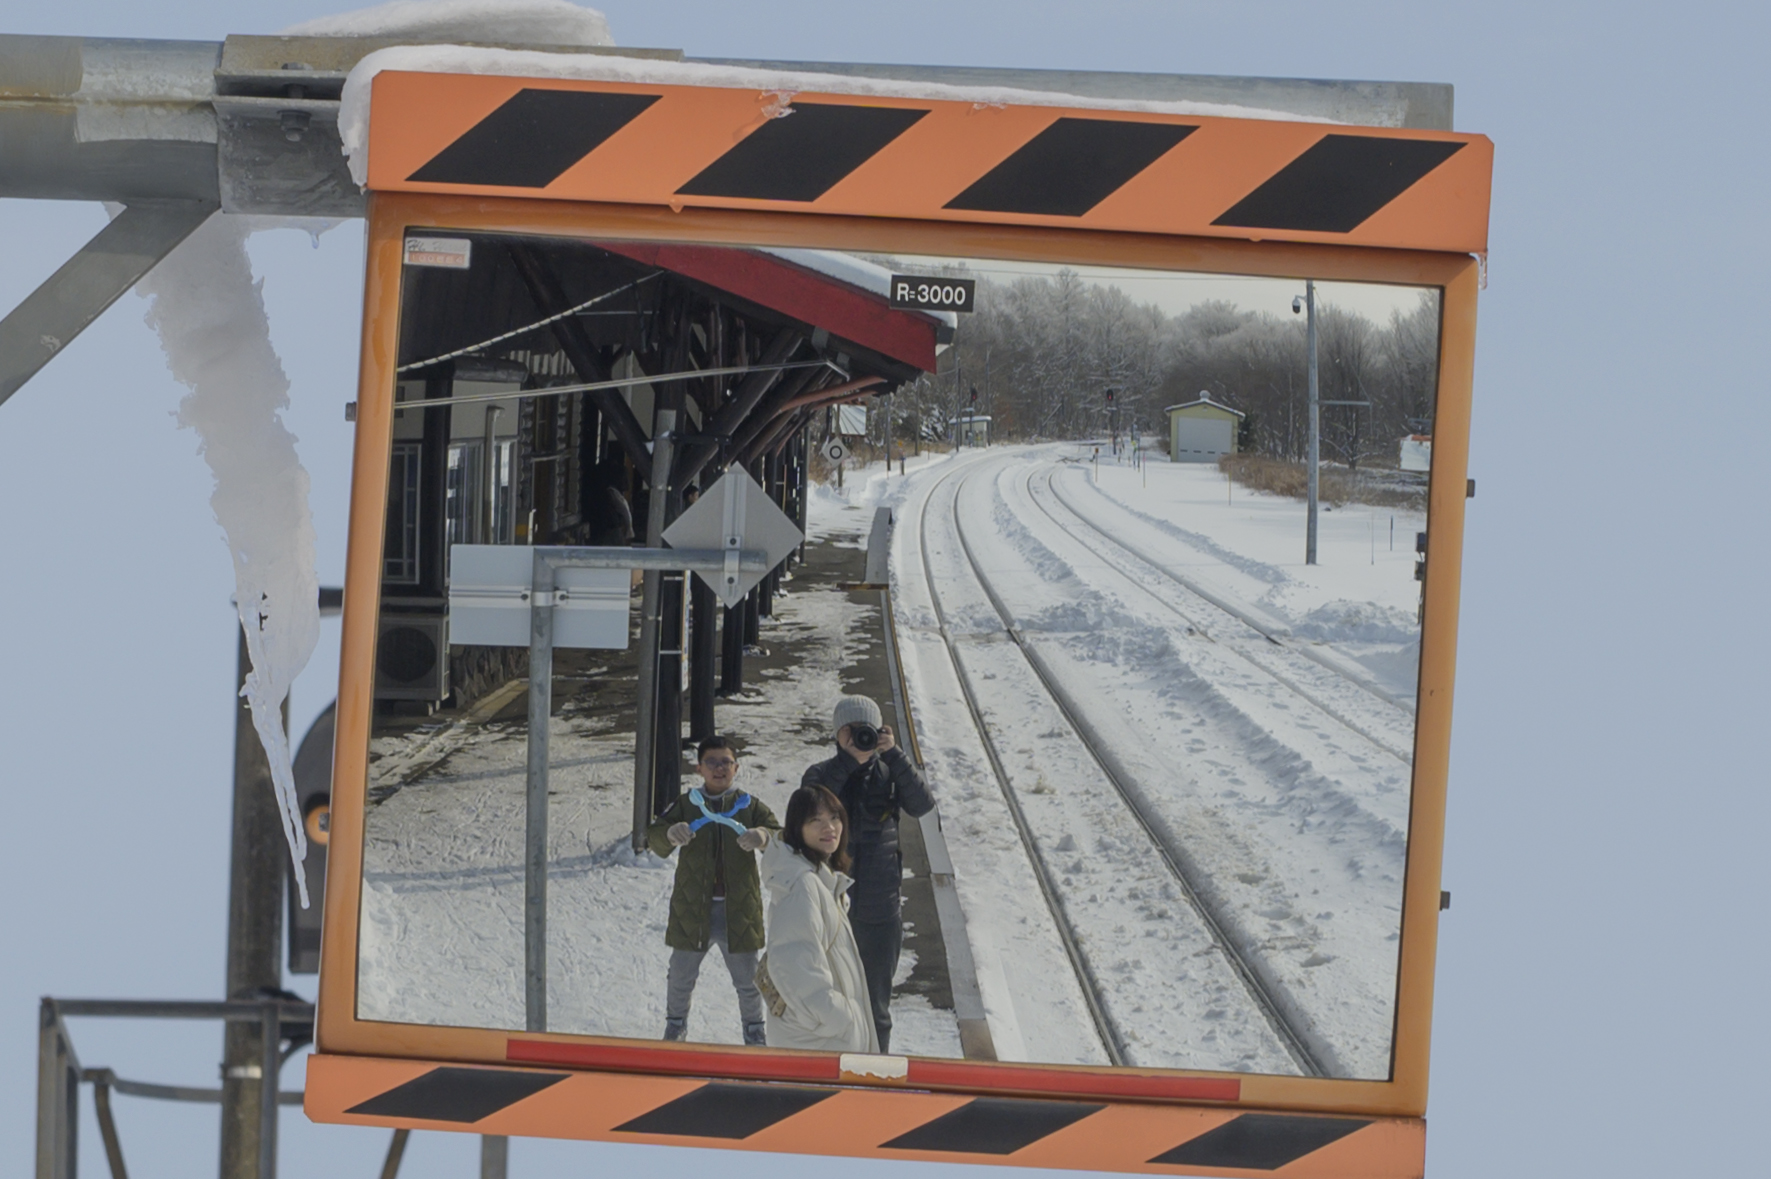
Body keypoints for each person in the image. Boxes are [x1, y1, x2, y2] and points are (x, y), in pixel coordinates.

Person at [799, 695, 934, 1051]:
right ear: (836, 734)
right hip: (828, 910)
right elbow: (810, 803)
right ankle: (828, 1076)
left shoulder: (891, 772)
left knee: (876, 1009)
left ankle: (874, 1079)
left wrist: (894, 755)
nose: (860, 736)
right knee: (826, 1005)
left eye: (867, 730)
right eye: (851, 730)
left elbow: (922, 805)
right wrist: (848, 761)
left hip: (879, 908)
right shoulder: (821, 774)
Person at [646, 736, 779, 1046]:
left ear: (736, 767)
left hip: (739, 911)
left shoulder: (749, 805)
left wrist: (762, 836)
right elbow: (654, 838)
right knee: (680, 976)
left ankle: (754, 1029)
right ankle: (675, 1026)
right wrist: (668, 832)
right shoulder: (687, 804)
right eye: (712, 763)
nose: (719, 769)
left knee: (748, 981)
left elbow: (781, 835)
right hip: (692, 910)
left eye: (726, 763)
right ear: (699, 768)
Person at [757, 785, 878, 1053]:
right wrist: (839, 1017)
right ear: (797, 829)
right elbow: (796, 965)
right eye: (816, 820)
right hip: (817, 1044)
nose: (830, 828)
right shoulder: (803, 885)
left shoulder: (820, 879)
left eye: (834, 818)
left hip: (820, 1040)